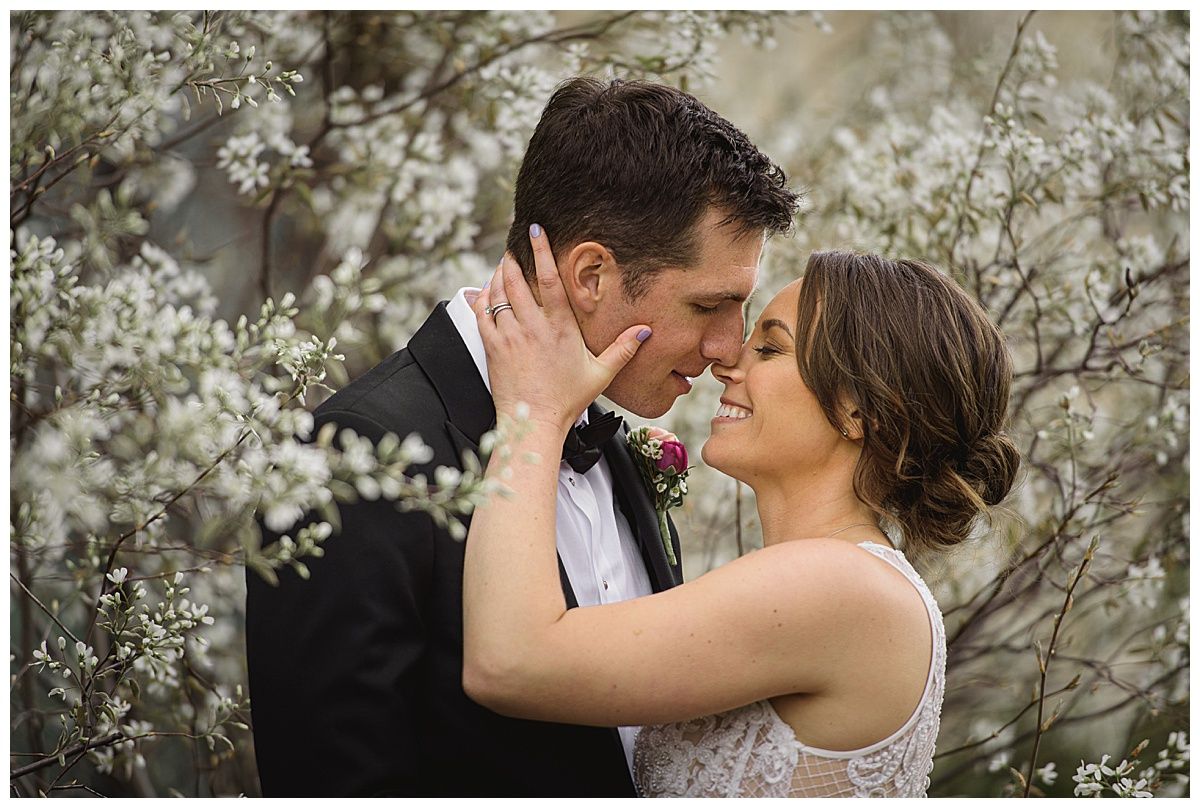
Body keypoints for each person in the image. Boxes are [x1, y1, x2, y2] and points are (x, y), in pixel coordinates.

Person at [243, 76, 799, 796]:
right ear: (592, 274)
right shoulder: (353, 455)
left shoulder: (606, 427)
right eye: (710, 304)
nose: (730, 345)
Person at [462, 238, 1020, 797]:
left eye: (771, 349)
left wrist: (531, 413)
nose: (725, 360)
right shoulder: (847, 581)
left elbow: (510, 661)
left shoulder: (838, 586)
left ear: (858, 411)